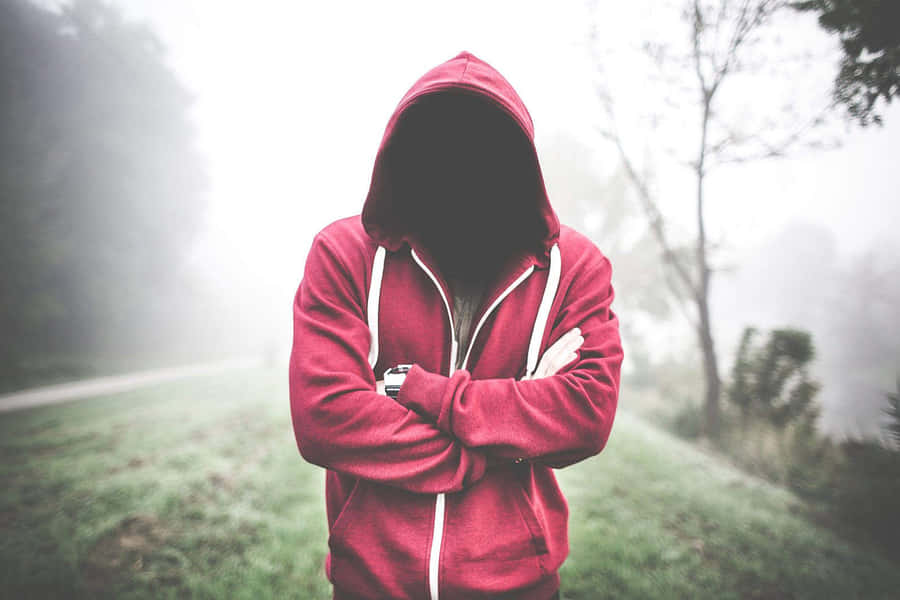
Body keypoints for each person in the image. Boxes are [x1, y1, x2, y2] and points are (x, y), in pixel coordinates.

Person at [289, 50, 623, 600]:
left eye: (485, 148)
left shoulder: (576, 269)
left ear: (521, 162)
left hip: (519, 584)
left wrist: (415, 392)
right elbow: (324, 418)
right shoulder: (344, 254)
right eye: (442, 145)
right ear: (405, 153)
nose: (463, 166)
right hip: (372, 585)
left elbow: (586, 415)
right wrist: (503, 432)